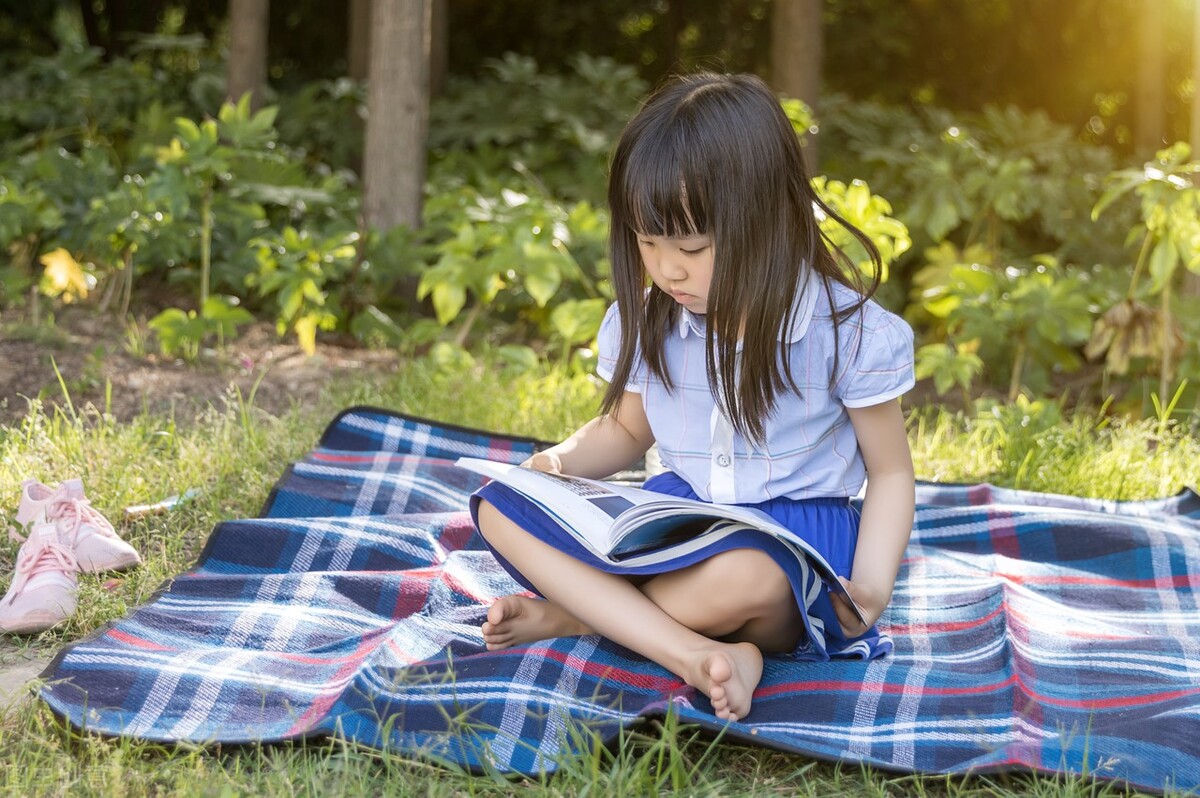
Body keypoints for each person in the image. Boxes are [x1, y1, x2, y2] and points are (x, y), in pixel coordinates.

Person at [471, 72, 915, 723]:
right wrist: (554, 469)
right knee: (498, 507)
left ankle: (580, 616)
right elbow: (625, 433)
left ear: (766, 223)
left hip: (791, 541)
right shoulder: (651, 316)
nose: (666, 268)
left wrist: (871, 589)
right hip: (677, 524)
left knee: (748, 578)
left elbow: (890, 471)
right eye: (647, 243)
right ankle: (705, 653)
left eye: (691, 247)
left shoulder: (843, 331)